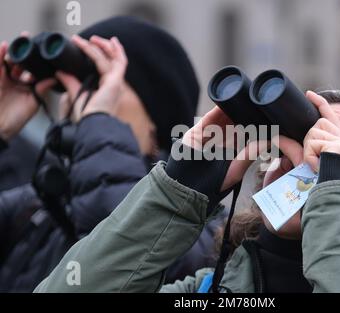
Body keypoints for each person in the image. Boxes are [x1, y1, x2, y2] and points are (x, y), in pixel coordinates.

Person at [34, 89, 340, 293]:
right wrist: (179, 188)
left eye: (335, 148)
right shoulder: (211, 292)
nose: (305, 159)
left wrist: (333, 185)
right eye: (301, 142)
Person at [0, 16, 203, 292]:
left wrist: (98, 124)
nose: (76, 98)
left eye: (98, 83)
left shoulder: (196, 220)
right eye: (71, 83)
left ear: (157, 120)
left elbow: (128, 253)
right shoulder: (35, 207)